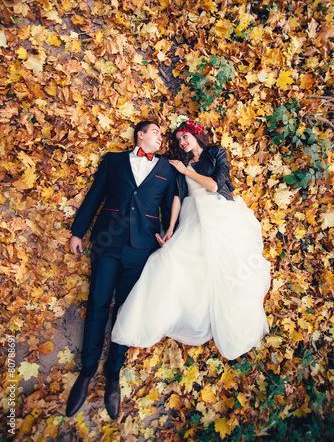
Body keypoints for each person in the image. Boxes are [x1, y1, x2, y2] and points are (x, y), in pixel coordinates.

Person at [111, 117, 271, 362]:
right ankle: (163, 316)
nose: (182, 142)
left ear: (196, 135)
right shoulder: (181, 163)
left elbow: (216, 185)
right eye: (178, 140)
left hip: (219, 213)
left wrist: (186, 171)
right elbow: (177, 196)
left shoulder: (216, 153)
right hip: (193, 214)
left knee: (225, 269)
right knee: (167, 260)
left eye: (185, 137)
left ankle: (229, 318)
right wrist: (171, 228)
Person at [66, 121, 176, 420]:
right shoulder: (114, 160)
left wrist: (169, 236)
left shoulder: (168, 168)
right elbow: (95, 195)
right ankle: (87, 371)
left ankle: (112, 375)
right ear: (140, 135)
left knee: (126, 312)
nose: (160, 137)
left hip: (141, 249)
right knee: (98, 304)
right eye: (155, 132)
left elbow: (171, 209)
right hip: (107, 242)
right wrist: (78, 232)